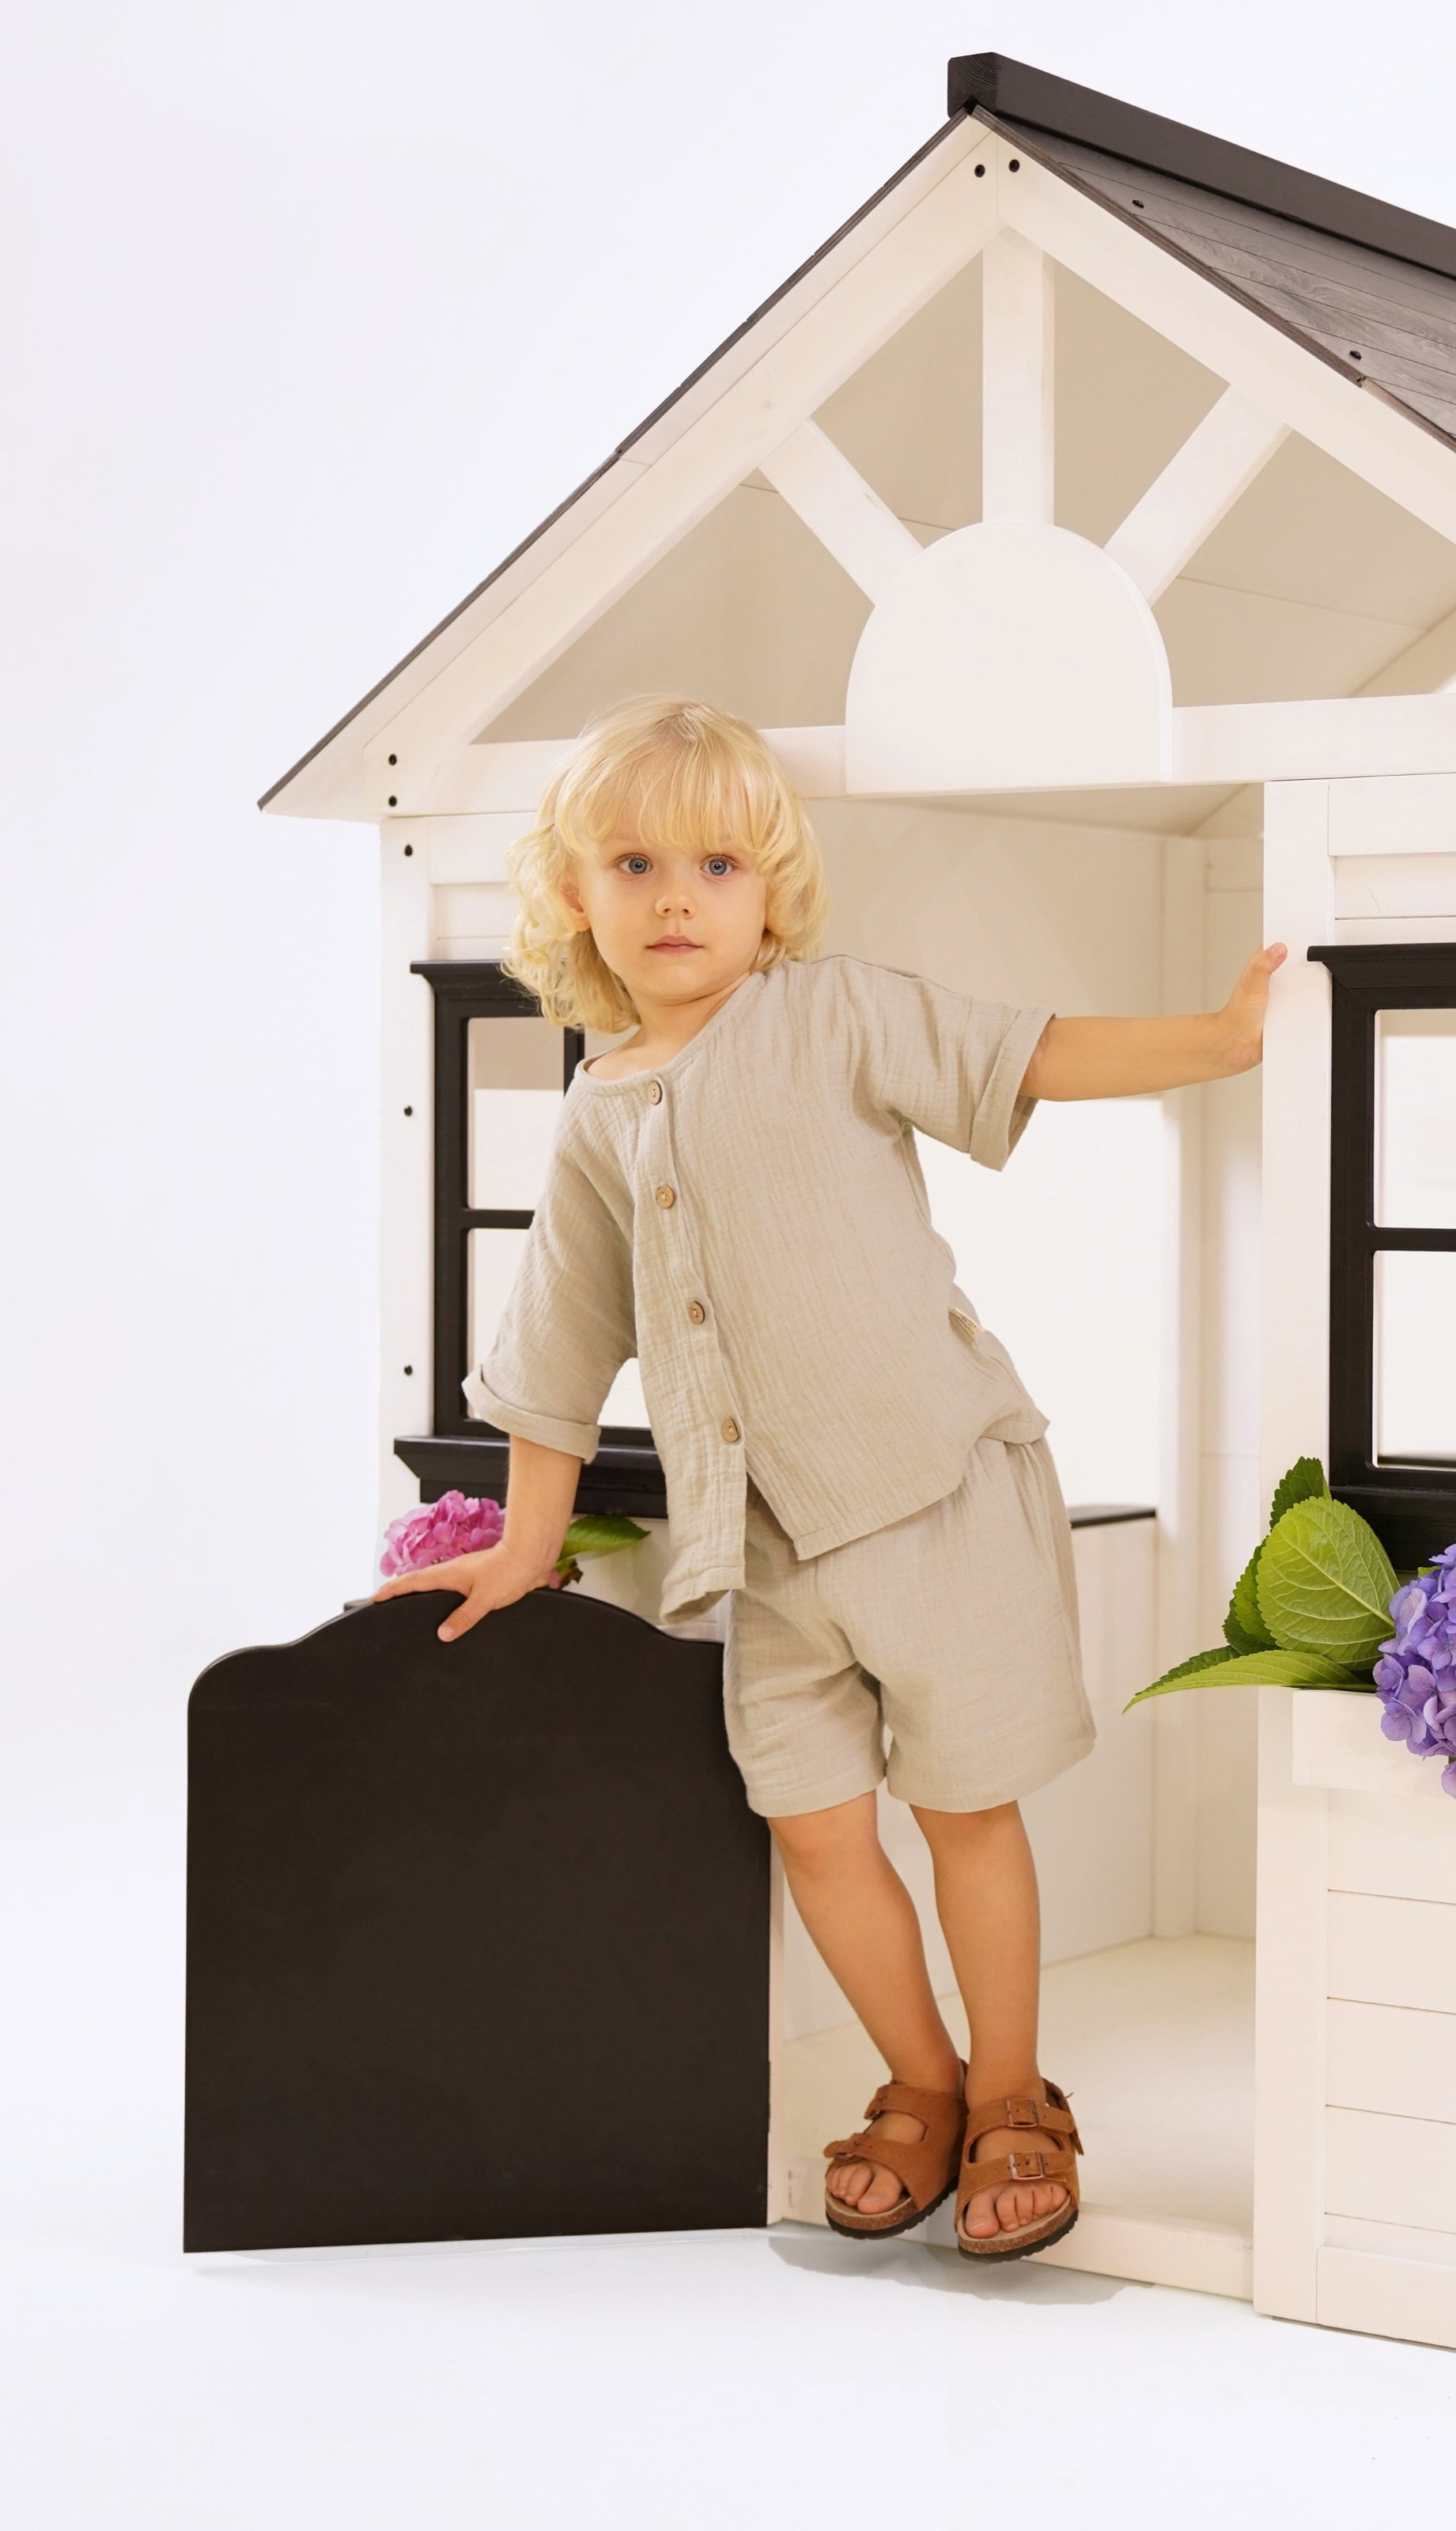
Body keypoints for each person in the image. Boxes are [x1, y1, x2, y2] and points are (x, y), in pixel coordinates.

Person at [375, 695, 1284, 2262]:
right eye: (636, 861)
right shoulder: (599, 1107)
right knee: (809, 1818)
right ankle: (918, 2085)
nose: (675, 897)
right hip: (767, 1544)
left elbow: (1030, 1052)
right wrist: (529, 1541)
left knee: (963, 1808)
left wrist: (1214, 1040)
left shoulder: (835, 1015)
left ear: (769, 889)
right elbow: (560, 1334)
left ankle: (1014, 2097)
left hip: (938, 1489)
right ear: (577, 892)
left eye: (716, 862)